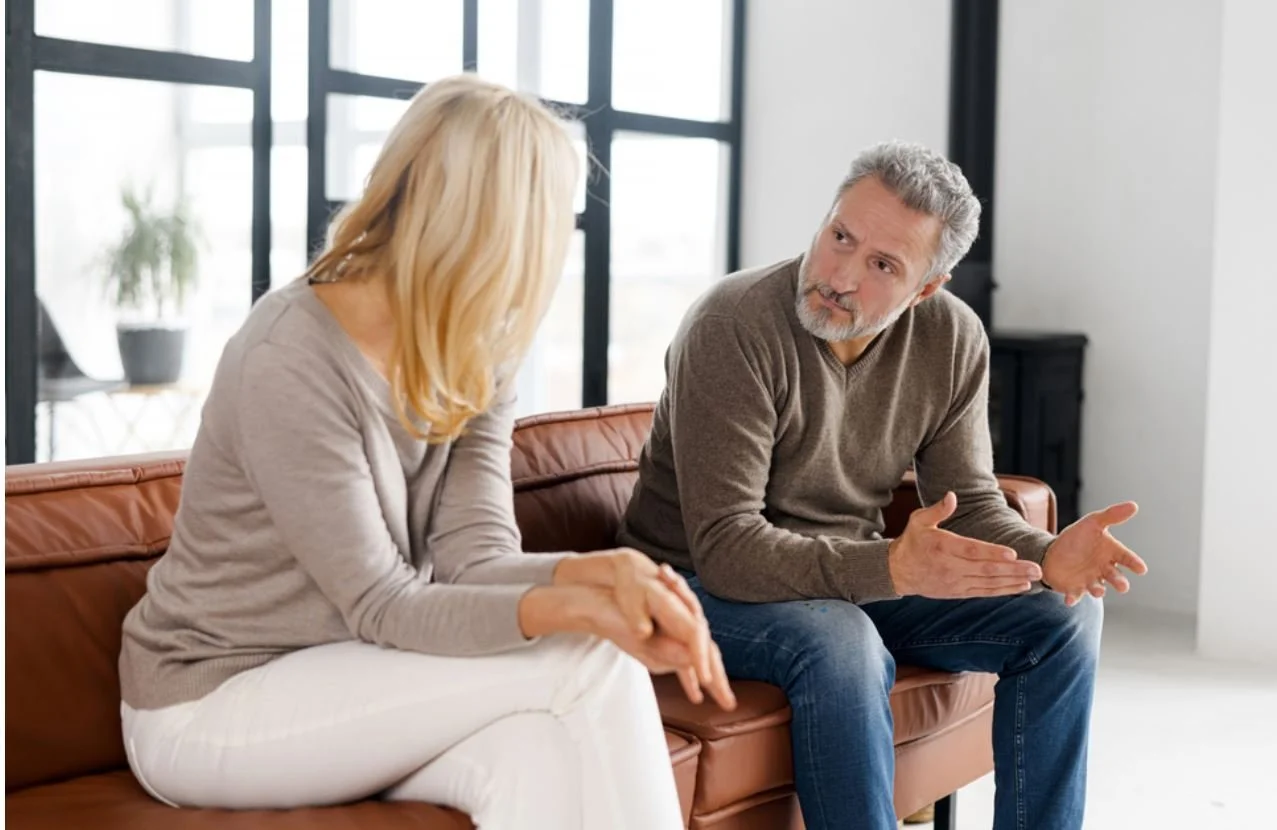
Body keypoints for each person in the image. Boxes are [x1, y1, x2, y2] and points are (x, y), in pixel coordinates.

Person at [118, 75, 734, 830]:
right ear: (485, 224)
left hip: (353, 674)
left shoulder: (479, 347)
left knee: (534, 753)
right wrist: (581, 610)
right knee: (588, 659)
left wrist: (607, 570)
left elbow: (473, 560)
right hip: (207, 701)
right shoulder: (287, 357)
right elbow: (384, 603)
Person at [617, 140, 1148, 830]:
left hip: (844, 575)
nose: (838, 275)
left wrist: (1043, 556)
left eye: (880, 265)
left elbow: (970, 501)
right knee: (841, 638)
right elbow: (725, 546)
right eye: (839, 236)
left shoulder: (949, 338)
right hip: (693, 583)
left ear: (926, 287)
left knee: (1065, 615)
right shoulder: (732, 326)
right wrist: (889, 567)